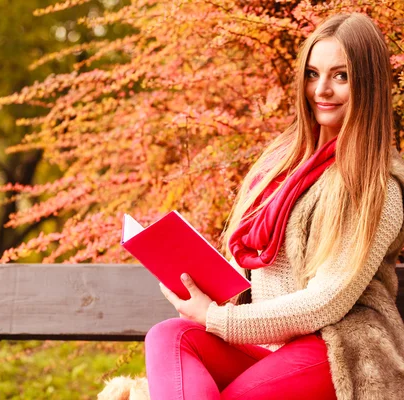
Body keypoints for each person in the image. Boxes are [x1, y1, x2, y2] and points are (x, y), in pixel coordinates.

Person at [144, 12, 404, 400]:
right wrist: (199, 286)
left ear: (368, 85)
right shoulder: (282, 162)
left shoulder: (376, 184)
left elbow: (324, 303)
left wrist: (217, 318)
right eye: (313, 74)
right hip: (270, 344)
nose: (322, 90)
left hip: (336, 349)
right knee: (169, 335)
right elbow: (250, 260)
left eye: (341, 76)